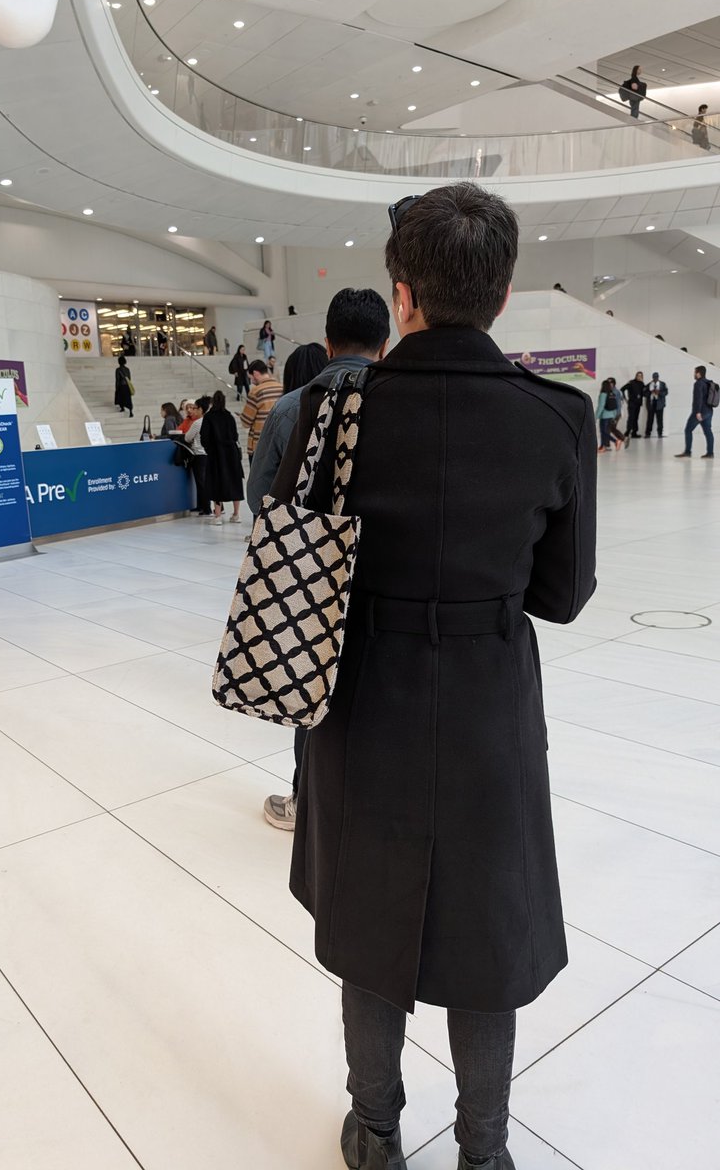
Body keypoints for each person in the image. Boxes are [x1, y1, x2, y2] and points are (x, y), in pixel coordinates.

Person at [270, 182, 597, 1170]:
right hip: (489, 705)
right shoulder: (556, 418)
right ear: (500, 295)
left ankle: (373, 1133)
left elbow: (295, 562)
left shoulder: (334, 410)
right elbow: (563, 593)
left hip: (361, 697)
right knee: (485, 932)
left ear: (400, 291)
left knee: (370, 924)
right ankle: (484, 1151)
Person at [250, 289, 389, 833]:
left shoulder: (292, 407)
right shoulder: (400, 401)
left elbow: (261, 496)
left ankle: (305, 802)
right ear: (385, 343)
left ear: (328, 343)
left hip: (308, 573)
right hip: (384, 572)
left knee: (308, 680)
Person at [200, 391, 244, 524]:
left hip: (215, 454)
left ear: (212, 402)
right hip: (232, 453)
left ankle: (218, 516)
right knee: (235, 481)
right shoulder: (229, 416)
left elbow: (204, 438)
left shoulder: (208, 417)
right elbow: (235, 436)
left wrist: (209, 449)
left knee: (215, 482)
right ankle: (236, 514)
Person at [239, 358, 282, 465]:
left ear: (255, 373)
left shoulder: (256, 391)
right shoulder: (282, 388)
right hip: (278, 442)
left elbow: (246, 422)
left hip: (259, 444)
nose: (252, 382)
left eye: (251, 379)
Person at [675, 365, 715, 459]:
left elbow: (698, 399)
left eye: (694, 372)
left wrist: (697, 412)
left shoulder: (698, 383)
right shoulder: (708, 383)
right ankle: (710, 453)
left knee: (688, 430)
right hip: (709, 411)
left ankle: (687, 452)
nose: (694, 374)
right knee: (708, 431)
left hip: (700, 411)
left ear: (698, 373)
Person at [183, 397, 211, 516]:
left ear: (201, 409)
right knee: (207, 482)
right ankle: (209, 507)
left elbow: (187, 438)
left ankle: (205, 508)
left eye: (195, 408)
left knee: (201, 483)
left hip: (199, 455)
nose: (193, 411)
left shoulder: (197, 423)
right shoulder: (210, 420)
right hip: (209, 455)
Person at [596, 378, 624, 452]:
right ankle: (602, 447)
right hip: (611, 415)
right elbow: (616, 405)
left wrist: (596, 416)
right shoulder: (612, 394)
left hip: (604, 416)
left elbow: (601, 406)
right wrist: (614, 415)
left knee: (604, 432)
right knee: (604, 431)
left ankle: (616, 441)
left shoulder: (603, 394)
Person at [621, 371, 646, 437]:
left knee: (636, 418)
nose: (639, 377)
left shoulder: (642, 384)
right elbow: (622, 389)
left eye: (641, 376)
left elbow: (644, 392)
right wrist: (625, 398)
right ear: (636, 376)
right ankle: (627, 432)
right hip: (632, 403)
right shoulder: (631, 383)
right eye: (638, 376)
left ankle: (634, 433)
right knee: (631, 418)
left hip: (638, 404)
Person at [645, 371, 668, 437]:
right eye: (654, 377)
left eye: (656, 377)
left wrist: (659, 392)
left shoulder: (663, 384)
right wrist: (650, 392)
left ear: (658, 377)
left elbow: (666, 392)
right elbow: (644, 393)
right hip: (651, 404)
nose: (655, 379)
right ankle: (647, 433)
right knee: (650, 419)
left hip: (659, 404)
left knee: (660, 420)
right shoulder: (649, 384)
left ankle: (660, 433)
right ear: (652, 377)